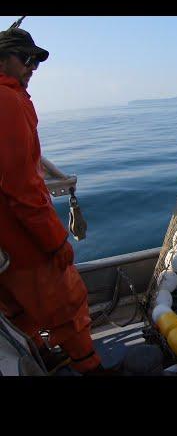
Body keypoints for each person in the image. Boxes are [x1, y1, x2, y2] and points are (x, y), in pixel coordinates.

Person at [0, 25, 110, 375]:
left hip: (4, 249)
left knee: (18, 310)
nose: (33, 66)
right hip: (23, 241)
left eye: (36, 60)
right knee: (68, 304)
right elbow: (21, 187)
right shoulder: (7, 101)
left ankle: (40, 359)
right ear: (3, 60)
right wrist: (54, 240)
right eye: (26, 58)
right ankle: (89, 368)